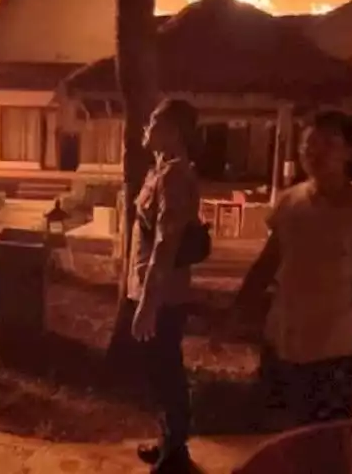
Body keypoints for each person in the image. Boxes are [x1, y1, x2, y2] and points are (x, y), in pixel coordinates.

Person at [231, 109, 352, 429]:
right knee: (279, 438)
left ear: (349, 152)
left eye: (328, 144)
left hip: (333, 350)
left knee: (324, 444)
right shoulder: (290, 202)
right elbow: (268, 262)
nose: (315, 152)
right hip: (282, 342)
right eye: (308, 144)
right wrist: (239, 308)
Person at [129, 97, 202, 473]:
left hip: (164, 295)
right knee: (157, 368)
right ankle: (167, 441)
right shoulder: (158, 171)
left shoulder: (175, 175)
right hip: (151, 290)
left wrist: (148, 303)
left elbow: (165, 242)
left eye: (155, 120)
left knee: (167, 369)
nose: (147, 124)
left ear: (173, 131)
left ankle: (176, 453)